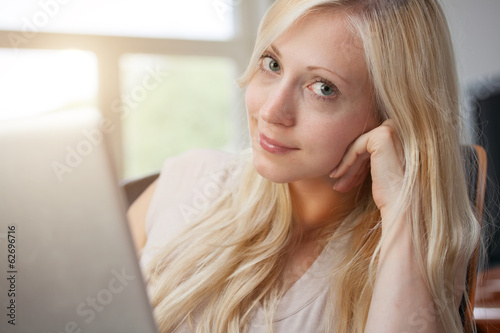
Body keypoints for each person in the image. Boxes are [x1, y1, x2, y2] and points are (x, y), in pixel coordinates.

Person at [128, 0, 481, 332]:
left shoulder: (409, 260)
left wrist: (401, 205)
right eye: (272, 64)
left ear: (390, 116)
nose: (270, 111)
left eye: (323, 88)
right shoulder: (188, 179)